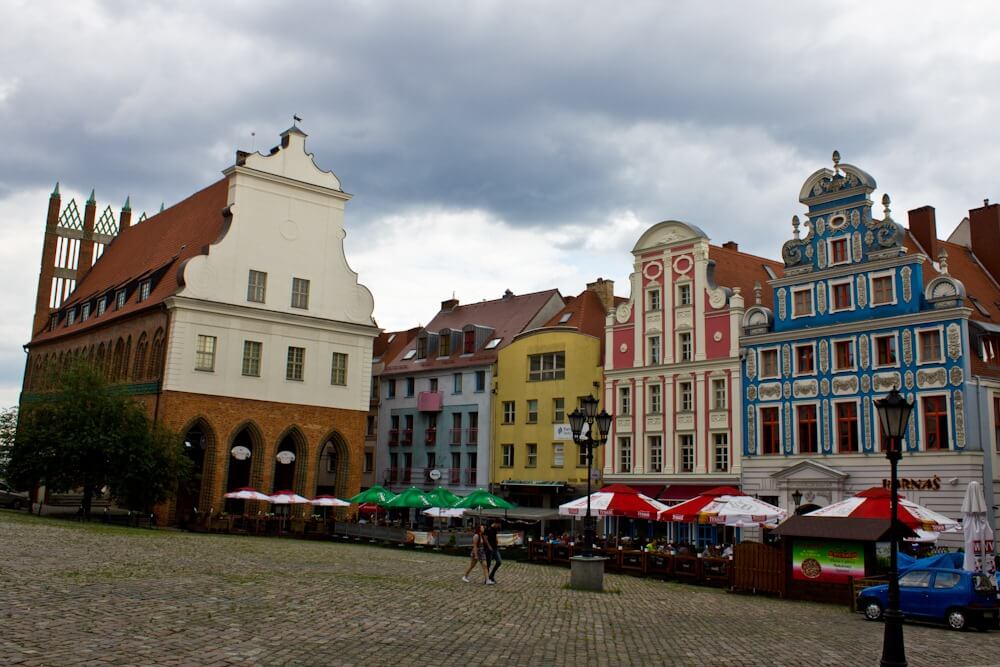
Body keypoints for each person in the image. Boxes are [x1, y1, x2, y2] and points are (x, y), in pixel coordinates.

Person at [484, 520, 502, 584]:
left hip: (495, 548)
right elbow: (485, 538)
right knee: (488, 564)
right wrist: (489, 546)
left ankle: (491, 575)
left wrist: (497, 540)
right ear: (496, 523)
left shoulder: (495, 529)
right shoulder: (488, 528)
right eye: (499, 524)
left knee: (499, 561)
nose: (499, 526)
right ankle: (487, 579)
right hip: (489, 549)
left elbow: (495, 535)